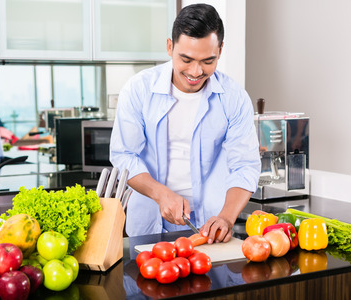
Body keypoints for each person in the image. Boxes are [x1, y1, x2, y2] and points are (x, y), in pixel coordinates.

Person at [109, 4, 261, 243]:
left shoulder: (234, 97)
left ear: (220, 50)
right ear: (170, 46)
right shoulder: (138, 89)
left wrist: (227, 217)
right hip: (149, 225)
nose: (196, 71)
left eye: (208, 61)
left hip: (210, 227)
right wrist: (161, 195)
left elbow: (245, 166)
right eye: (186, 59)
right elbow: (124, 155)